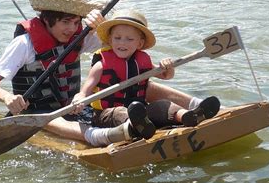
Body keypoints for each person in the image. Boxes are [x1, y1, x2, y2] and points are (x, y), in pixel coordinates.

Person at [0, 0, 220, 146]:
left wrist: (99, 22)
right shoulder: (24, 44)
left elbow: (119, 43)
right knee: (52, 118)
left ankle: (193, 105)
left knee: (138, 79)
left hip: (76, 104)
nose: (73, 29)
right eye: (66, 22)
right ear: (48, 20)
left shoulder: (77, 37)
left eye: (76, 22)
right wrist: (7, 98)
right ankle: (101, 135)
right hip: (40, 110)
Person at [72, 9, 220, 146]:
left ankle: (189, 116)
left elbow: (166, 75)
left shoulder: (143, 61)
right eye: (117, 38)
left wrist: (168, 66)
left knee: (163, 104)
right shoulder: (101, 65)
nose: (122, 43)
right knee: (121, 112)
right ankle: (137, 127)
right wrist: (80, 99)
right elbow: (85, 91)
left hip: (140, 111)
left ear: (140, 43)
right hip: (106, 115)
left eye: (129, 39)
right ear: (110, 41)